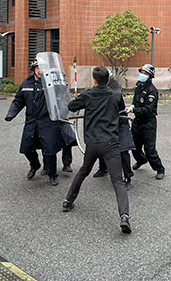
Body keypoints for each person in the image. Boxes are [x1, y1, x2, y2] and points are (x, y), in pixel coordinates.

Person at [62, 67, 131, 234]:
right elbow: (121, 110)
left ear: (94, 80)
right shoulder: (115, 95)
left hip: (92, 143)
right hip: (111, 143)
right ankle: (124, 217)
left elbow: (71, 106)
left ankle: (68, 201)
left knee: (83, 171)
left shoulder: (88, 94)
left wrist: (85, 98)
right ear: (108, 80)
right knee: (117, 181)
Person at [5, 61, 63, 186]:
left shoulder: (51, 83)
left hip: (48, 122)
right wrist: (11, 114)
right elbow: (18, 101)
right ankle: (35, 164)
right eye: (38, 68)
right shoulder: (26, 84)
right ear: (33, 70)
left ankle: (52, 174)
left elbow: (61, 97)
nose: (40, 70)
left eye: (43, 68)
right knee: (27, 148)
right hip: (31, 122)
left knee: (50, 150)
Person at [91, 75, 135, 190]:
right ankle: (103, 169)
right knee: (102, 146)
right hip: (106, 124)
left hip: (120, 123)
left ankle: (127, 177)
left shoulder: (115, 90)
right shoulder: (99, 87)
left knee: (123, 151)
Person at [125, 63, 165, 180]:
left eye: (145, 73)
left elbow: (148, 110)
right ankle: (141, 160)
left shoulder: (152, 91)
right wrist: (132, 106)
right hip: (137, 121)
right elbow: (135, 100)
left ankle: (159, 168)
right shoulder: (138, 85)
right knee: (134, 146)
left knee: (149, 150)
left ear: (150, 76)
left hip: (148, 123)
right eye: (142, 72)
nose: (142, 75)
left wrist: (133, 110)